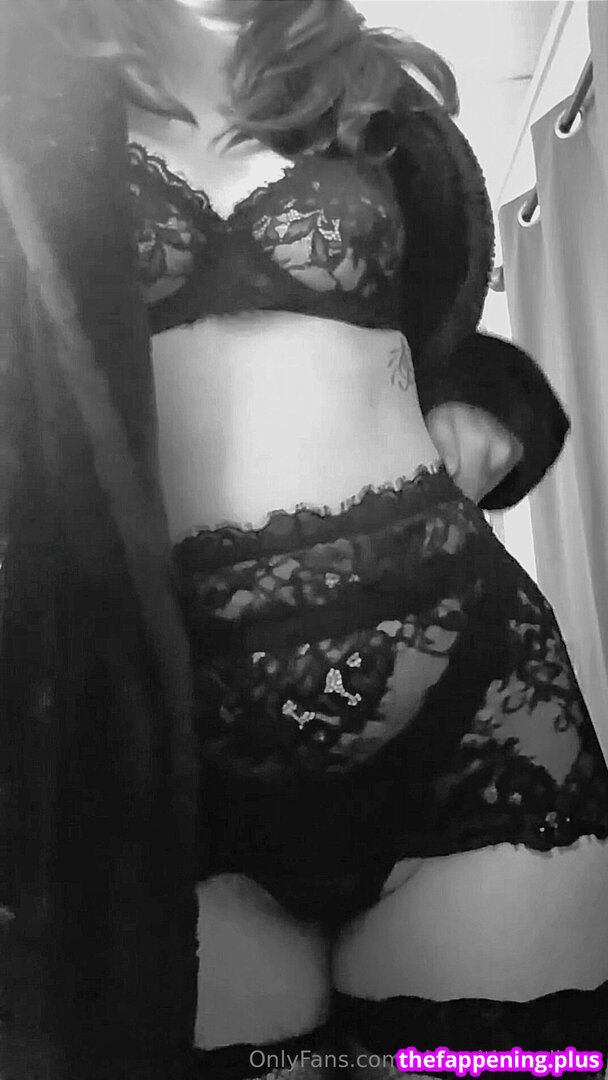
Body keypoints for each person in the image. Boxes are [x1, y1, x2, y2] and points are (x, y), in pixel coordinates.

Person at [3, 1, 608, 1077]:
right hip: (158, 762)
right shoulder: (20, 90)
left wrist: (479, 404)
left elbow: (440, 329)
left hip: (466, 695)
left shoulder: (375, 96)